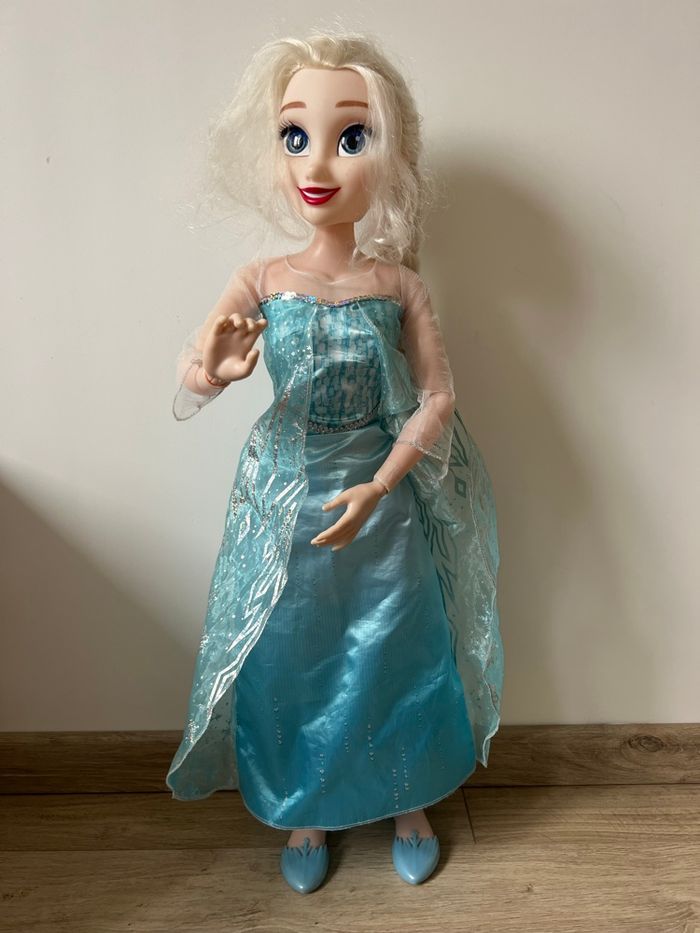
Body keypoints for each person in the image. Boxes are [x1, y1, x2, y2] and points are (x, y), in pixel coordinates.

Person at [166, 30, 504, 894]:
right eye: (295, 135)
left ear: (388, 155)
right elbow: (192, 378)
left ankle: (408, 798)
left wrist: (383, 483)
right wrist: (215, 368)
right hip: (282, 498)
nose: (317, 162)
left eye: (350, 137)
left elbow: (437, 397)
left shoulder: (399, 286)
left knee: (396, 647)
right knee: (290, 653)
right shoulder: (261, 279)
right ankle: (305, 804)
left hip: (379, 500)